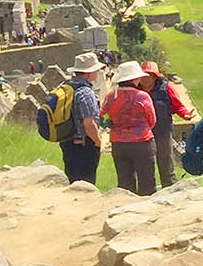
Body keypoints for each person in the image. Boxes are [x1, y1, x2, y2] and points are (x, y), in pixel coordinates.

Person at [103, 61, 159, 196]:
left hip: (118, 142)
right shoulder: (142, 96)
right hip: (142, 141)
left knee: (125, 182)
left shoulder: (111, 96)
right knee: (147, 182)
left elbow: (102, 115)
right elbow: (152, 119)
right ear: (135, 79)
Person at [144, 61, 194, 188]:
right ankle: (148, 190)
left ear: (155, 77)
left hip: (162, 129)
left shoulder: (165, 88)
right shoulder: (135, 90)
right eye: (143, 75)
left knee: (165, 158)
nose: (145, 79)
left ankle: (170, 188)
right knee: (145, 162)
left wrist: (186, 115)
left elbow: (177, 105)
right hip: (142, 132)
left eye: (149, 76)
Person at [59, 52, 107, 185]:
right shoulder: (85, 92)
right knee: (87, 184)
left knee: (72, 181)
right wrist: (97, 141)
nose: (97, 72)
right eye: (95, 70)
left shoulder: (64, 87)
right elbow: (88, 123)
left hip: (66, 142)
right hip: (84, 145)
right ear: (88, 73)